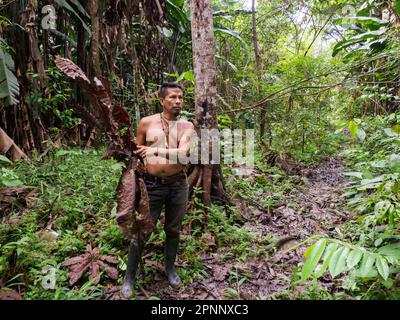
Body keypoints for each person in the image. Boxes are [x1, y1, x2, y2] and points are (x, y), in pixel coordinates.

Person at [121, 82, 194, 299]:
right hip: (151, 186)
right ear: (161, 100)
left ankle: (169, 269)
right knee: (143, 230)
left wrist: (154, 150)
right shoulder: (145, 123)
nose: (178, 101)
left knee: (173, 229)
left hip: (178, 184)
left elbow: (183, 154)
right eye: (172, 97)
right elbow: (137, 154)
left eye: (180, 97)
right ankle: (129, 277)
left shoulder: (186, 126)